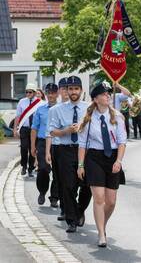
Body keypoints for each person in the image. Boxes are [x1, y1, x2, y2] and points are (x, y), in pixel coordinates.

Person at [78, 81, 127, 247]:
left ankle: (102, 224)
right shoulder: (88, 118)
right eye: (104, 94)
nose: (108, 96)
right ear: (96, 99)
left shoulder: (118, 117)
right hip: (94, 158)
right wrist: (80, 165)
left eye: (108, 94)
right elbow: (83, 144)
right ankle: (101, 234)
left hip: (113, 157)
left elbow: (122, 142)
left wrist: (119, 160)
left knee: (111, 201)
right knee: (99, 198)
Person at [48, 76, 92, 233]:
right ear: (66, 90)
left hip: (85, 150)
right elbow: (52, 131)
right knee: (68, 186)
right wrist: (67, 130)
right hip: (65, 150)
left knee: (87, 184)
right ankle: (71, 220)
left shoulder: (89, 108)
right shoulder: (56, 110)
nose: (73, 92)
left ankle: (80, 210)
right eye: (70, 89)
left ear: (81, 90)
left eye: (76, 89)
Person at [31, 83, 59, 207]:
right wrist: (33, 146)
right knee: (43, 169)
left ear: (57, 93)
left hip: (58, 142)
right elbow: (34, 129)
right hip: (42, 142)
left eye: (53, 92)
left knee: (58, 172)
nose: (51, 95)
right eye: (48, 92)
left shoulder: (62, 108)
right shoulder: (40, 109)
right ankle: (42, 191)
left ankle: (54, 197)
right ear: (46, 94)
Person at [46, 77, 70, 221]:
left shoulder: (80, 107)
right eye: (64, 88)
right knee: (60, 179)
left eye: (69, 88)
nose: (66, 91)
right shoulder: (55, 109)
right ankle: (64, 209)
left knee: (73, 181)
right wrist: (47, 151)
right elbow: (49, 132)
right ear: (59, 91)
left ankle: (72, 206)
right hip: (57, 147)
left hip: (74, 148)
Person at [14, 83, 42, 177]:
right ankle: (24, 166)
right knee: (24, 147)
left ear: (34, 93)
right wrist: (15, 129)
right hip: (24, 128)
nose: (28, 94)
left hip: (34, 129)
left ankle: (31, 168)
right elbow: (18, 116)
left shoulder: (39, 103)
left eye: (30, 92)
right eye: (26, 92)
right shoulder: (22, 102)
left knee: (32, 149)